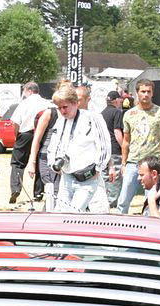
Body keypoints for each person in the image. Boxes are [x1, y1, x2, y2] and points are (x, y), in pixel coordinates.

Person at [47, 82, 111, 212]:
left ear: (75, 103)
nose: (62, 111)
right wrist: (53, 163)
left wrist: (98, 168)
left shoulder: (93, 118)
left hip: (87, 177)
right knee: (62, 214)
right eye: (59, 108)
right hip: (66, 176)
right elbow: (53, 144)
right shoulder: (60, 122)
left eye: (65, 107)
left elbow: (104, 145)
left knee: (74, 213)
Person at [117, 79, 160, 213]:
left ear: (153, 93)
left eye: (149, 91)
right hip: (133, 162)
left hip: (153, 163)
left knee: (152, 200)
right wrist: (123, 163)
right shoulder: (129, 114)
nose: (146, 94)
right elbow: (126, 141)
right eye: (143, 91)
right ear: (137, 93)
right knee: (123, 200)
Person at [8, 82, 47, 203]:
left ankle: (16, 189)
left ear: (29, 90)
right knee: (40, 163)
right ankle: (38, 194)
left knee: (17, 163)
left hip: (25, 134)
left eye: (24, 90)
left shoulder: (24, 103)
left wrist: (17, 135)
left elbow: (15, 122)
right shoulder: (46, 103)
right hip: (42, 134)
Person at [102, 90, 125, 205]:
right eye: (120, 99)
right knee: (115, 176)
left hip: (104, 149)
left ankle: (105, 198)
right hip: (115, 149)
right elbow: (117, 131)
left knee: (105, 175)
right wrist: (124, 147)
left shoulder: (101, 113)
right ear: (116, 100)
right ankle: (112, 201)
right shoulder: (117, 112)